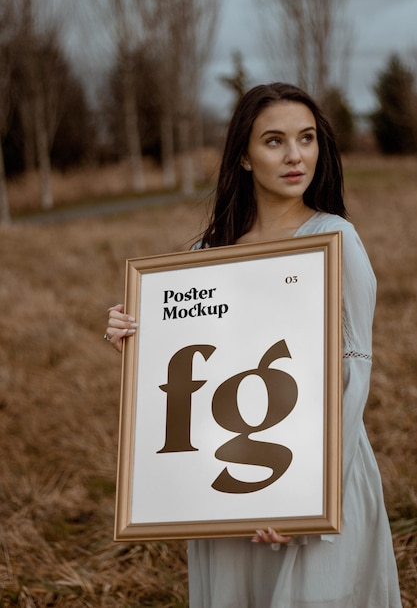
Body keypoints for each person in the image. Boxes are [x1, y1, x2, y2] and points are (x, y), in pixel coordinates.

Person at [105, 83, 402, 607]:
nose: (295, 156)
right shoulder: (206, 252)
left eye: (307, 138)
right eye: (274, 141)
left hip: (316, 483)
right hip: (224, 488)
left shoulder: (334, 238)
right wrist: (136, 338)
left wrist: (306, 502)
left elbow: (353, 371)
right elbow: (190, 373)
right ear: (243, 155)